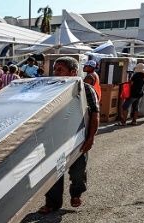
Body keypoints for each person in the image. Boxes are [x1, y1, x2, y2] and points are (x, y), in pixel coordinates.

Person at [38, 57, 99, 214]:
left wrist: (91, 138)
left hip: (78, 139)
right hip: (55, 139)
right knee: (53, 172)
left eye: (60, 70)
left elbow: (94, 114)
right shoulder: (51, 89)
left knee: (78, 171)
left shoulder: (86, 89)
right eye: (55, 69)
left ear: (73, 72)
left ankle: (76, 194)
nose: (56, 73)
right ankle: (53, 203)